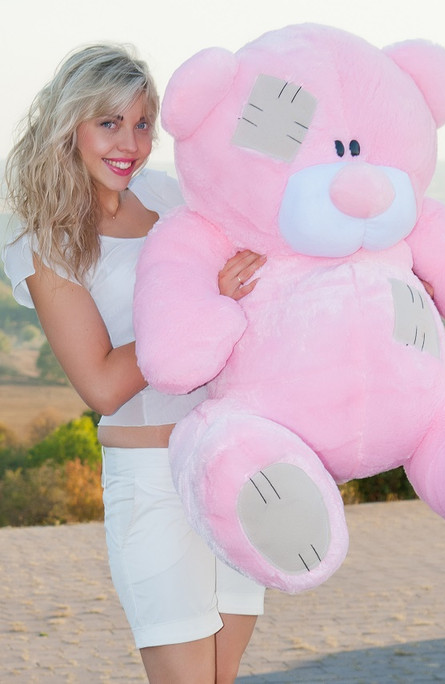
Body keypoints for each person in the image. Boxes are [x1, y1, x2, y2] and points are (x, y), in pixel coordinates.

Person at [2, 44, 266, 684]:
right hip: (154, 482)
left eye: (143, 123)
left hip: (232, 460)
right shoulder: (47, 241)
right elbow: (101, 384)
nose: (131, 143)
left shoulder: (169, 195)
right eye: (109, 123)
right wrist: (202, 307)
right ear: (69, 125)